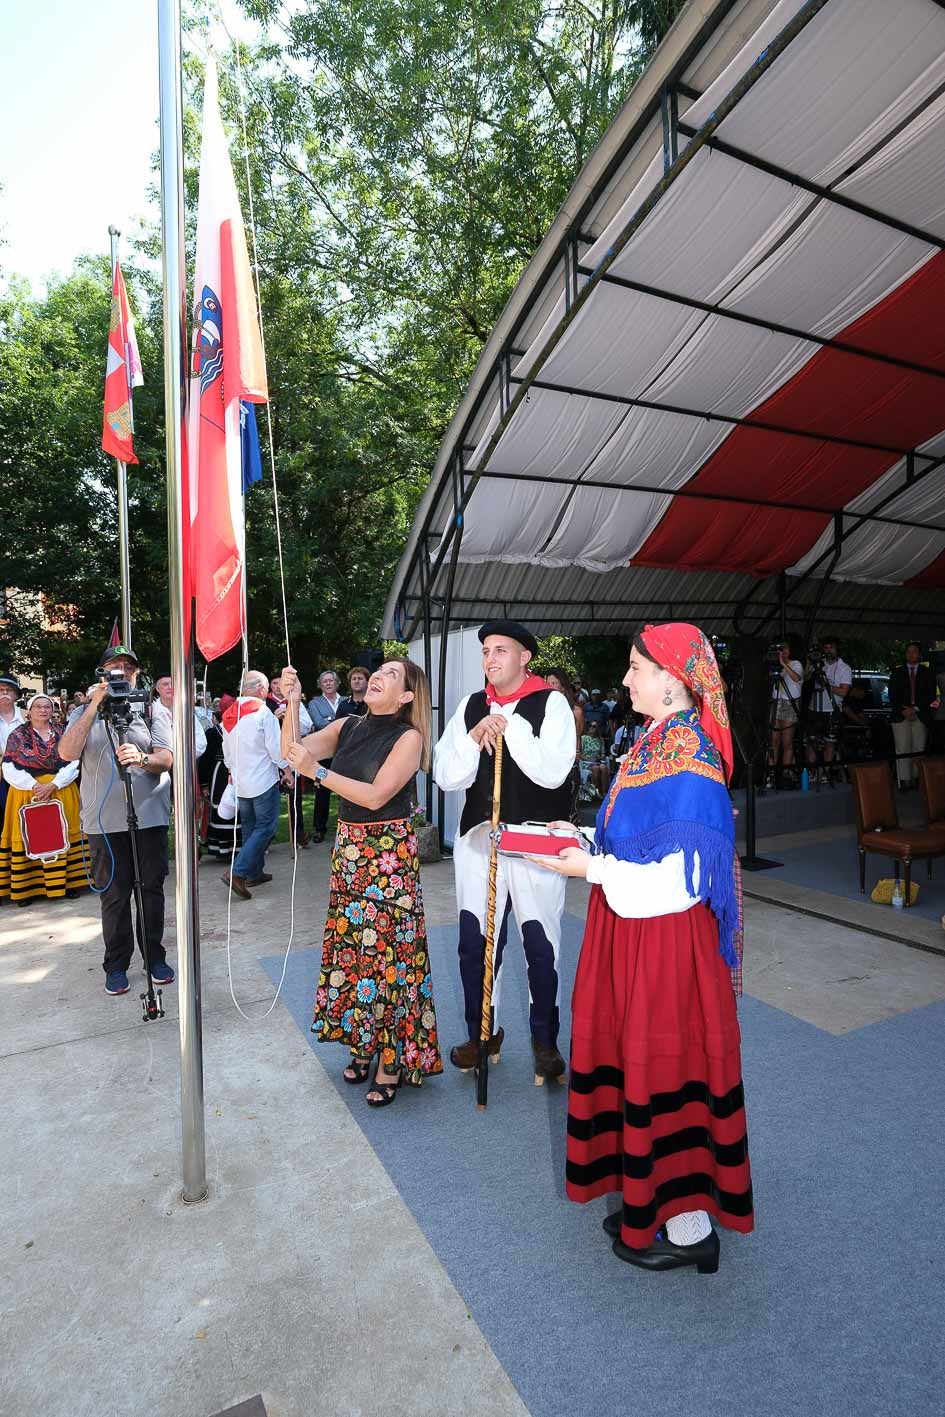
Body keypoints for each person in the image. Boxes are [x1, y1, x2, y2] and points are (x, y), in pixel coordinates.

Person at [532, 623, 753, 1274]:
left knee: (662, 1067)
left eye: (635, 667)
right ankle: (647, 1198)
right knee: (638, 1065)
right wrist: (578, 838)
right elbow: (637, 840)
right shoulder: (656, 741)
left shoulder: (687, 756)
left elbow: (679, 883)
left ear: (672, 678)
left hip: (662, 944)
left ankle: (688, 1230)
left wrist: (588, 871)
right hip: (633, 933)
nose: (625, 678)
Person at [281, 658, 442, 1107]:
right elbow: (291, 749)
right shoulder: (347, 725)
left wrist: (318, 773)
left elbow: (374, 795)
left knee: (389, 954)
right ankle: (365, 1041)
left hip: (388, 854)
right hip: (350, 851)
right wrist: (292, 702)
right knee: (355, 951)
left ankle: (393, 1059)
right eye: (380, 670)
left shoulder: (409, 737)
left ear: (408, 695)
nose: (379, 676)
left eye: (393, 675)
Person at [433, 620, 576, 1082]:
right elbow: (446, 774)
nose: (490, 659)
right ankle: (482, 1035)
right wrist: (476, 735)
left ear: (524, 658)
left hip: (534, 843)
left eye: (500, 650)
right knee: (475, 943)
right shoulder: (472, 705)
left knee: (540, 943)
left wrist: (508, 725)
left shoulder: (550, 703)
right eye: (485, 651)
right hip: (479, 840)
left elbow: (552, 772)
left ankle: (545, 1042)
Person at [58, 646, 176, 996]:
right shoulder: (83, 712)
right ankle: (116, 964)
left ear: (138, 675)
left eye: (128, 667)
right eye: (114, 667)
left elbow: (167, 758)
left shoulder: (151, 710)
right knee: (114, 895)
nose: (121, 672)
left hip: (149, 817)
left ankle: (155, 957)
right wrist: (94, 706)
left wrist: (141, 758)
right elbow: (66, 753)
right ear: (101, 675)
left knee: (151, 891)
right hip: (103, 823)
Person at [0, 693, 86, 905]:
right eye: (38, 707)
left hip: (61, 789)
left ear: (52, 709)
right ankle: (26, 889)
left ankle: (70, 883)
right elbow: (8, 766)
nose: (42, 710)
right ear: (29, 711)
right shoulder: (17, 735)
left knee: (65, 835)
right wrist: (35, 786)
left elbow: (74, 760)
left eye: (47, 706)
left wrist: (54, 784)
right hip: (27, 793)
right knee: (32, 836)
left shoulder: (62, 731)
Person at [220, 670, 288, 899]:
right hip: (262, 780)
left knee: (250, 828)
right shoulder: (262, 712)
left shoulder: (228, 713)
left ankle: (254, 873)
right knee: (265, 828)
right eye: (267, 687)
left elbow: (226, 750)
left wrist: (231, 770)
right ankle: (238, 872)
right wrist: (286, 769)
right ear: (261, 689)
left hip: (241, 781)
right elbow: (275, 747)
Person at [268, 674, 313, 847]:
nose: (278, 686)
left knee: (295, 797)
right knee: (268, 797)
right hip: (270, 756)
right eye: (274, 683)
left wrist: (288, 717)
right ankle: (266, 839)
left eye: (281, 683)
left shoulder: (295, 702)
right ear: (270, 686)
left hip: (290, 753)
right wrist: (274, 716)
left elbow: (307, 725)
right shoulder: (265, 704)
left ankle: (298, 833)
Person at [889, 642, 937, 788]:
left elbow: (931, 695)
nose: (911, 654)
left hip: (920, 715)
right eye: (908, 652)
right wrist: (904, 710)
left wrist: (915, 708)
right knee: (902, 749)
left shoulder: (927, 672)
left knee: (918, 749)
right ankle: (904, 781)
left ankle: (917, 780)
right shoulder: (897, 672)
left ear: (919, 654)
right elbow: (892, 696)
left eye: (914, 651)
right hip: (900, 715)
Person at [805, 636, 852, 781]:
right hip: (814, 709)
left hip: (831, 710)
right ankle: (812, 774)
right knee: (811, 742)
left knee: (829, 743)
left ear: (837, 649)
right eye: (825, 648)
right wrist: (809, 664)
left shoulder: (844, 668)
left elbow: (844, 691)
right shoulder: (820, 663)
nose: (828, 651)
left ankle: (825, 773)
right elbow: (804, 678)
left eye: (831, 647)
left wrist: (827, 685)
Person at [307, 670, 343, 842]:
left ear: (337, 683)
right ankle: (319, 828)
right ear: (320, 685)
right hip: (323, 757)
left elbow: (354, 722)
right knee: (321, 790)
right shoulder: (314, 703)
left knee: (347, 791)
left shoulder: (346, 701)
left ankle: (346, 827)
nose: (328, 683)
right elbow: (319, 723)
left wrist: (330, 721)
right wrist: (341, 724)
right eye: (324, 681)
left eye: (331, 680)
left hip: (345, 754)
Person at [544, 667, 583, 819]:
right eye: (547, 682)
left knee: (568, 808)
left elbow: (578, 735)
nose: (550, 686)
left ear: (563, 686)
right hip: (547, 762)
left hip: (568, 764)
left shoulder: (576, 711)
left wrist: (577, 754)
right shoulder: (542, 707)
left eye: (554, 683)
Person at [767, 638, 803, 786]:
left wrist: (783, 664)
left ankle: (786, 775)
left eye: (786, 649)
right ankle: (771, 774)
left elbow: (796, 678)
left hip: (790, 702)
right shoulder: (774, 665)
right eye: (781, 650)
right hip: (776, 701)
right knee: (773, 741)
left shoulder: (796, 664)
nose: (784, 652)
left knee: (786, 741)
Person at [152, 674, 208, 760]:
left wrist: (182, 758)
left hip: (186, 763)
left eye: (173, 684)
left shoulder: (186, 711)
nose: (170, 687)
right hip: (158, 764)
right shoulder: (152, 710)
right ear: (157, 688)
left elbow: (201, 741)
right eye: (165, 684)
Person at [0, 674, 26, 822]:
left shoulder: (28, 716)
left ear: (16, 695)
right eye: (1, 690)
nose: (4, 693)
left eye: (9, 690)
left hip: (25, 776)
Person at [578, 722, 609, 800]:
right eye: (590, 726)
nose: (591, 728)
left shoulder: (600, 739)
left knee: (603, 767)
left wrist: (600, 756)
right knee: (596, 768)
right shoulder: (583, 738)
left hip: (597, 761)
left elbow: (603, 754)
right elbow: (579, 754)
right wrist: (588, 759)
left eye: (594, 726)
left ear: (597, 728)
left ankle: (604, 792)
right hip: (586, 762)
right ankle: (595, 792)